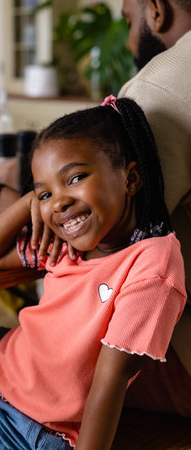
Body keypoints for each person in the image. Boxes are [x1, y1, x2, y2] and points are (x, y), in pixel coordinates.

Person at [0, 97, 186, 449]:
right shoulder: (65, 245)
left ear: (131, 179)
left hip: (25, 422)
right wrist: (28, 202)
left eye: (75, 178)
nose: (58, 202)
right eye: (46, 192)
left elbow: (109, 383)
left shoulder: (152, 264)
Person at [118, 0, 191, 406]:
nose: (130, 40)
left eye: (130, 20)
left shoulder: (163, 85)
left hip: (181, 364)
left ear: (156, 11)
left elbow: (110, 239)